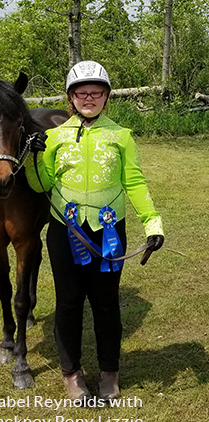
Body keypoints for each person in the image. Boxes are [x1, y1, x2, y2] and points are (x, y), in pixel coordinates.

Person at [25, 61, 164, 402]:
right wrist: (32, 160)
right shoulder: (54, 138)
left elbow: (134, 181)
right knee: (68, 303)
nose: (89, 98)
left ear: (106, 97)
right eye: (82, 93)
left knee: (106, 304)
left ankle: (109, 372)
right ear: (71, 98)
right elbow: (41, 184)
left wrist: (152, 222)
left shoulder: (122, 137)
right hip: (64, 232)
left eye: (96, 92)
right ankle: (72, 375)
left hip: (108, 232)